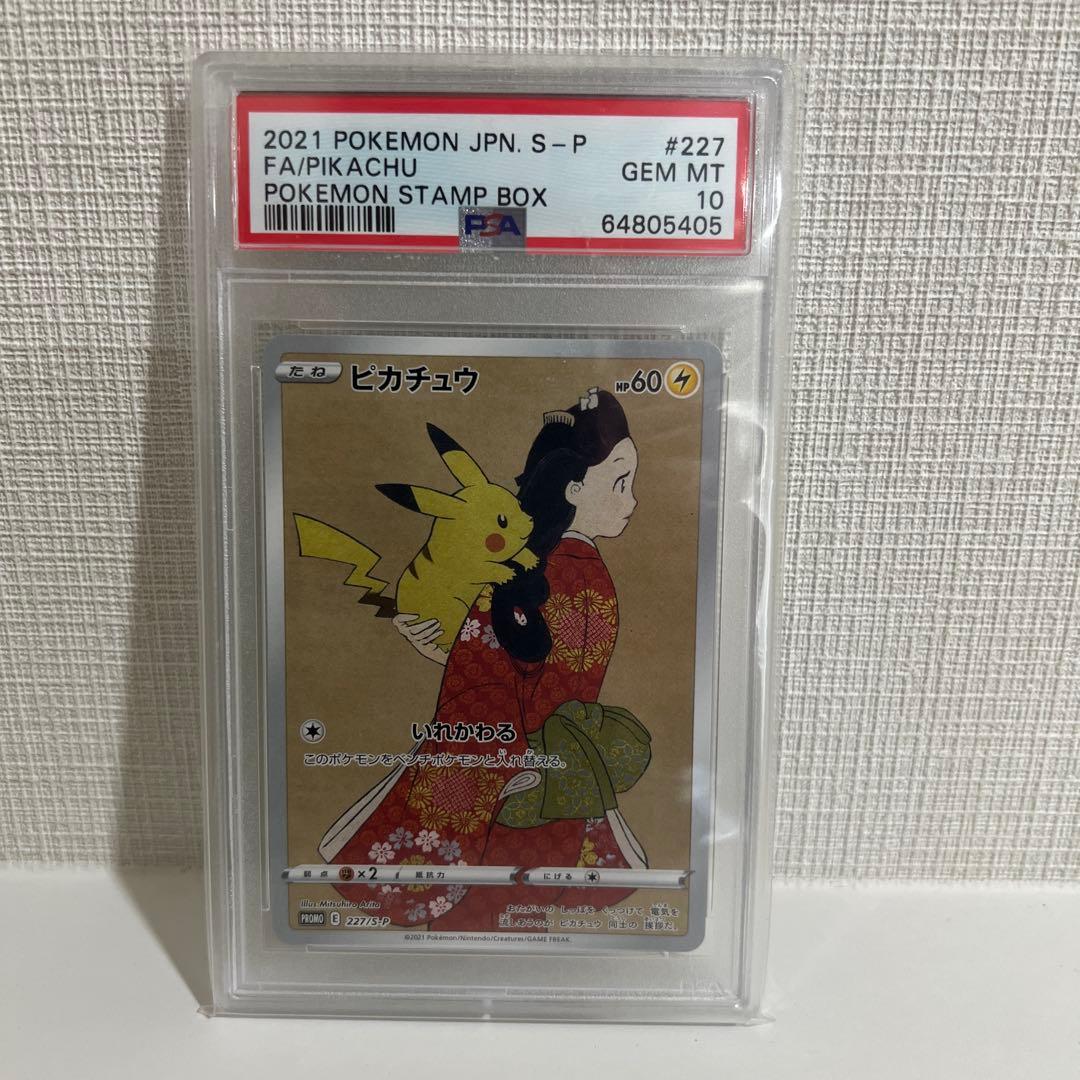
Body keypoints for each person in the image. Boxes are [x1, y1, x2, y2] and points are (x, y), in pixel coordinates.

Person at [319, 388, 649, 931]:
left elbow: (498, 677)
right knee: (513, 916)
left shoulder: (536, 574)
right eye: (620, 482)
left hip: (509, 777)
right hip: (554, 776)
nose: (632, 500)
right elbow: (534, 668)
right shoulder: (577, 573)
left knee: (482, 919)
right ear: (573, 488)